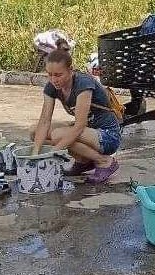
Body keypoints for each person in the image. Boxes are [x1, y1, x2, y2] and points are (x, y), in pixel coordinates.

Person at [30, 49, 121, 184]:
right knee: (34, 132)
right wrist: (35, 154)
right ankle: (83, 161)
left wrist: (53, 151)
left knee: (58, 135)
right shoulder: (52, 86)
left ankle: (104, 161)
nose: (53, 80)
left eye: (58, 75)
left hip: (107, 135)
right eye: (50, 75)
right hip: (89, 133)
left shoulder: (83, 83)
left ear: (70, 70)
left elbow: (79, 126)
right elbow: (44, 121)